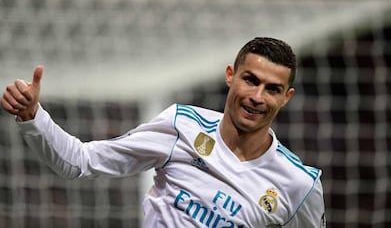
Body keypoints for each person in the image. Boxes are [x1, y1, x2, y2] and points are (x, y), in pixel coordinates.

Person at [2, 37, 326, 227]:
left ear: (287, 97)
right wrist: (34, 117)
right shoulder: (181, 126)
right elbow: (80, 162)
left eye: (272, 89)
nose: (257, 97)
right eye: (251, 80)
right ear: (231, 76)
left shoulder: (300, 184)